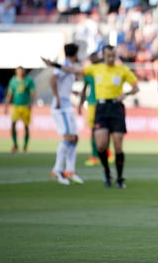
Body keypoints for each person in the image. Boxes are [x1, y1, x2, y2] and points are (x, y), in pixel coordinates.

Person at [43, 44, 139, 188]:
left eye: (113, 55)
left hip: (116, 108)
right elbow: (73, 70)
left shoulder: (123, 70)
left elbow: (136, 87)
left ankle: (119, 178)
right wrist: (55, 65)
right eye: (108, 56)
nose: (111, 58)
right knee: (101, 145)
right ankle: (107, 172)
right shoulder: (96, 68)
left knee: (118, 145)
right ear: (103, 56)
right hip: (101, 108)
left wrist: (125, 94)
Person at [49, 43, 84, 185]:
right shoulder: (64, 65)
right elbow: (53, 80)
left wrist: (72, 92)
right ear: (76, 53)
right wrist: (57, 97)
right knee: (68, 137)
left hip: (67, 104)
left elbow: (62, 84)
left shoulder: (66, 66)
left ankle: (70, 170)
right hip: (61, 106)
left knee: (74, 138)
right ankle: (57, 170)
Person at [78, 52, 114, 166]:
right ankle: (94, 155)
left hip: (104, 102)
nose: (94, 59)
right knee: (94, 131)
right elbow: (84, 89)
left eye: (95, 57)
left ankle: (107, 153)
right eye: (92, 58)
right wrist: (80, 104)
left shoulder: (105, 70)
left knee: (106, 129)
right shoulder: (88, 73)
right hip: (92, 104)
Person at [4, 66, 36, 153]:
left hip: (26, 106)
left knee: (26, 126)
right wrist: (6, 105)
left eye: (22, 70)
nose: (21, 72)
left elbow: (33, 93)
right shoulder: (13, 81)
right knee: (13, 125)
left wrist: (31, 103)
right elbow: (10, 94)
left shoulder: (29, 81)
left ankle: (25, 146)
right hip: (16, 106)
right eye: (19, 71)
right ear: (16, 71)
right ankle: (15, 144)